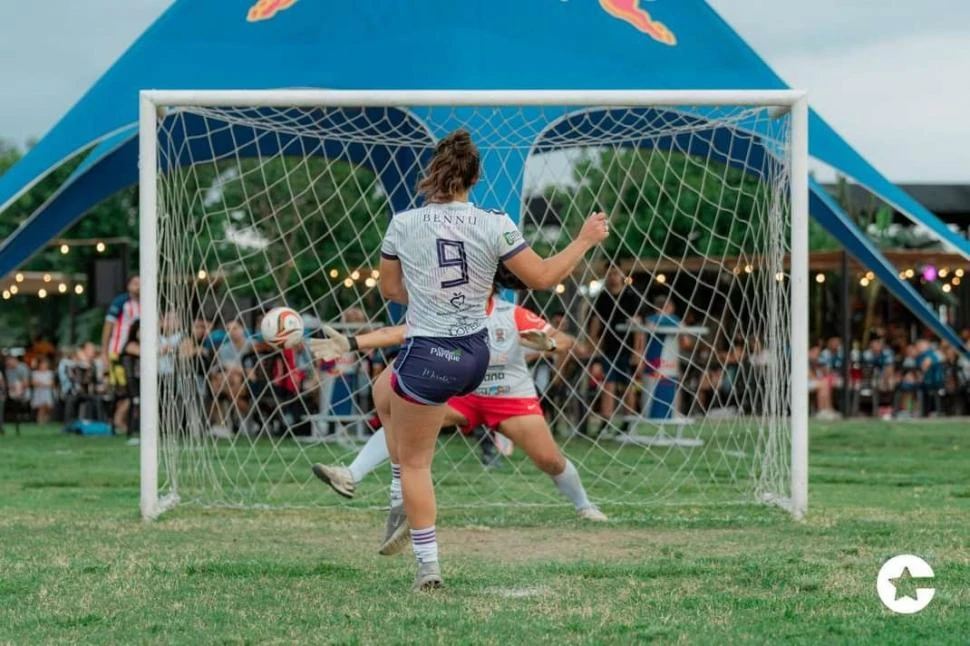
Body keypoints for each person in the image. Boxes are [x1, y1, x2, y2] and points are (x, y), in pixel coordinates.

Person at [367, 128, 608, 591]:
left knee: (417, 462)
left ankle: (427, 563)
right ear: (474, 178)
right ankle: (398, 492)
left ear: (431, 174)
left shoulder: (403, 223)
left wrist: (426, 293)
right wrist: (582, 240)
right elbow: (540, 277)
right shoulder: (495, 220)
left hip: (430, 352)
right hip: (478, 356)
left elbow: (392, 291)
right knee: (384, 388)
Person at [310, 269, 606, 537]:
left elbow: (566, 341)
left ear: (491, 287)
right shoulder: (448, 315)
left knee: (549, 460)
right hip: (463, 394)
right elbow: (398, 333)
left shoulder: (511, 313)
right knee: (406, 421)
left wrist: (549, 343)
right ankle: (350, 474)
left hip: (509, 397)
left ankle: (584, 505)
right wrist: (350, 344)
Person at [588, 267, 644, 429]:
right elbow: (596, 321)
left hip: (628, 348)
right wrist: (593, 344)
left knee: (628, 385)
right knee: (608, 385)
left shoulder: (630, 297)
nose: (613, 277)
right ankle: (606, 422)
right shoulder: (603, 298)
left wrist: (638, 350)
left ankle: (628, 422)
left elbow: (638, 324)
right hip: (609, 348)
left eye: (616, 273)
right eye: (610, 273)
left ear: (623, 275)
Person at [101, 276, 140, 435]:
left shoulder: (148, 303)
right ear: (129, 285)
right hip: (117, 352)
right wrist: (104, 352)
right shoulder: (121, 302)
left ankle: (121, 420)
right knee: (122, 388)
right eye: (135, 283)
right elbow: (108, 327)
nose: (138, 287)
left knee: (135, 388)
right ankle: (115, 420)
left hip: (136, 354)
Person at [30, 356, 55, 424]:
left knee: (48, 407)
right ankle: (40, 420)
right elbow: (34, 383)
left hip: (47, 392)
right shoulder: (35, 373)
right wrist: (44, 384)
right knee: (41, 407)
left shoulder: (50, 373)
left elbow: (52, 383)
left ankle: (46, 419)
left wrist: (42, 384)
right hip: (39, 392)